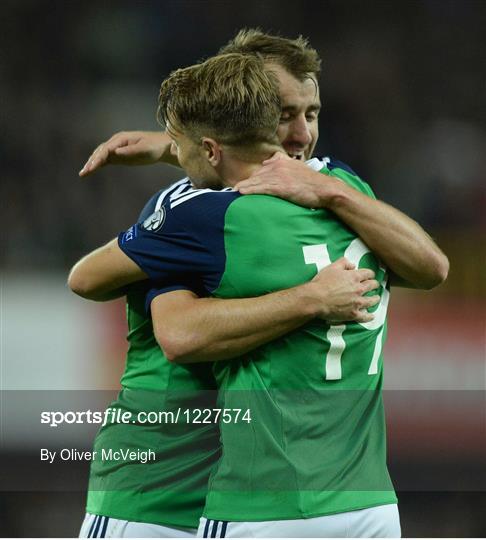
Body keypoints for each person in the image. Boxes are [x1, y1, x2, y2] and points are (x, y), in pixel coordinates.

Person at [71, 47, 448, 536]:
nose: (301, 135)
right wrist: (177, 149)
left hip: (243, 495)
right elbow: (172, 330)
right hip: (156, 489)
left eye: (310, 114)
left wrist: (187, 151)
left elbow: (432, 267)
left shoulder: (322, 191)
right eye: (283, 115)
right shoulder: (332, 190)